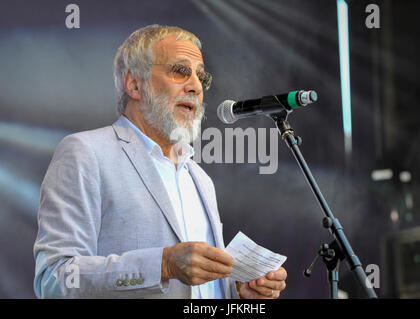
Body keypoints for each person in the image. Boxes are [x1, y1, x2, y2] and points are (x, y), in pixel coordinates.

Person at [33, 24, 287, 299]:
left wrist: (239, 293)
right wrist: (162, 264)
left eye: (202, 77)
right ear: (135, 84)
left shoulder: (199, 177)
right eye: (180, 71)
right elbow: (55, 279)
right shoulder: (86, 152)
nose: (195, 86)